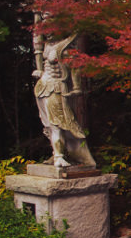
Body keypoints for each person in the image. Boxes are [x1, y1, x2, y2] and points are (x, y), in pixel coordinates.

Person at [34, 33, 96, 168]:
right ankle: (57, 152)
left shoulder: (65, 47)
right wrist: (39, 70)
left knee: (57, 123)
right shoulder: (45, 46)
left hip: (56, 87)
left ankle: (60, 156)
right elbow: (38, 48)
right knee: (48, 125)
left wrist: (77, 87)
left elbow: (74, 67)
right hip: (42, 87)